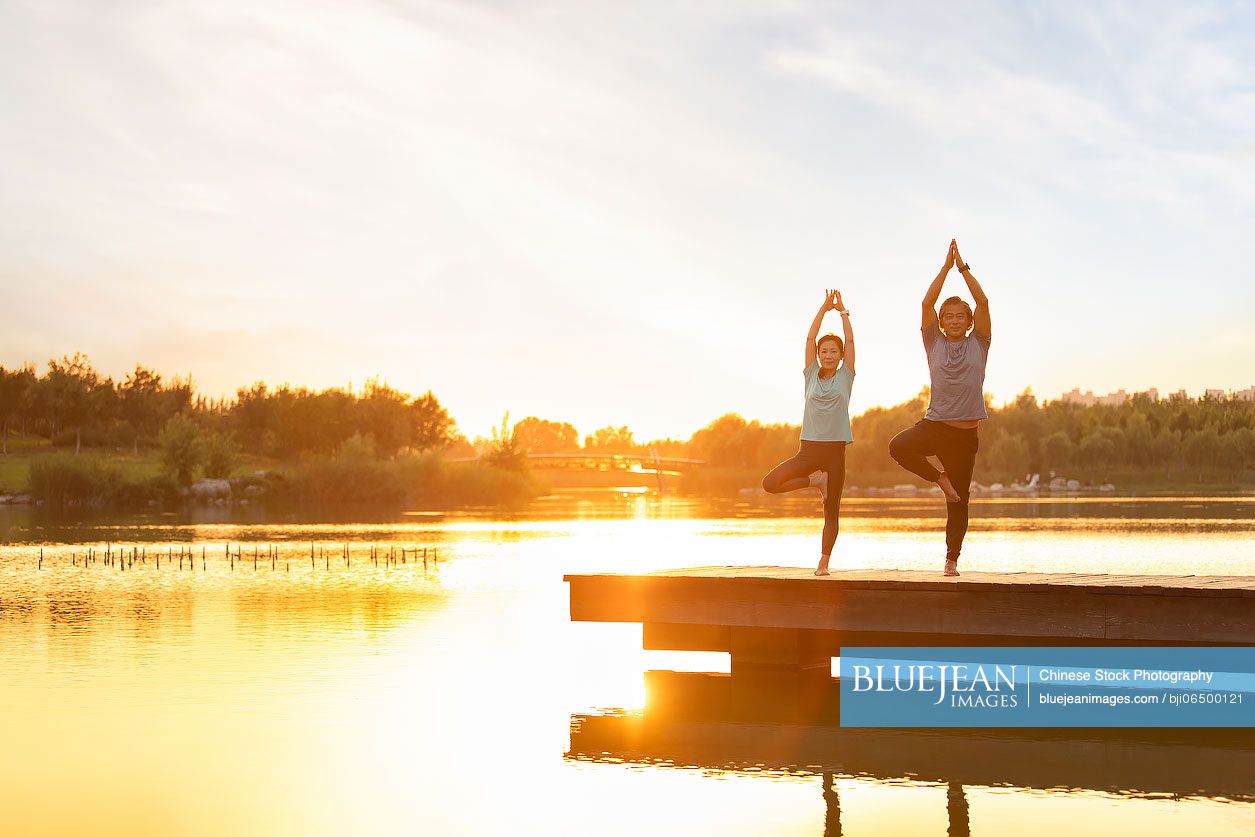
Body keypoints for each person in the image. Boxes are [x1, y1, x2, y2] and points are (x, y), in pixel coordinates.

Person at [888, 239, 991, 577]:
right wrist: (945, 268)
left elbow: (983, 301)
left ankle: (951, 561)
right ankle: (939, 478)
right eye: (949, 317)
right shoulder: (933, 342)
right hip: (934, 426)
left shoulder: (980, 342)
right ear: (942, 323)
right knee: (898, 446)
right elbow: (927, 301)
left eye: (961, 316)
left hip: (964, 437)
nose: (955, 320)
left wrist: (962, 269)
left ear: (969, 321)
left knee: (959, 501)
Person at [761, 289, 856, 576]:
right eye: (824, 351)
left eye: (833, 351)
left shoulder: (846, 376)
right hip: (808, 450)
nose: (828, 355)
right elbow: (808, 338)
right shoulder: (810, 375)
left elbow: (850, 339)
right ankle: (815, 482)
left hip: (835, 452)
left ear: (841, 356)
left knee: (832, 512)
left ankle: (823, 563)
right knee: (771, 483)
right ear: (818, 355)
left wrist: (841, 313)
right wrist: (823, 308)